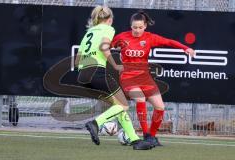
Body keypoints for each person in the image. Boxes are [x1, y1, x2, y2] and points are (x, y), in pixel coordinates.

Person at [111, 10, 195, 147]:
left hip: (145, 77)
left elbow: (169, 42)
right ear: (130, 26)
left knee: (160, 107)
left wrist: (185, 48)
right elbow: (105, 48)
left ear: (145, 26)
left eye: (140, 27)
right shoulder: (122, 37)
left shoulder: (149, 37)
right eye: (134, 27)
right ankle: (145, 136)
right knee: (140, 98)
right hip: (128, 77)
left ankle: (152, 137)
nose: (137, 30)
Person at [74, 6, 151, 150]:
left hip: (83, 75)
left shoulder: (89, 31)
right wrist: (115, 65)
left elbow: (77, 60)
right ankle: (95, 123)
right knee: (123, 105)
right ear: (110, 20)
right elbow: (104, 48)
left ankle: (135, 140)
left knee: (118, 106)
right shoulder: (108, 29)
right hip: (96, 72)